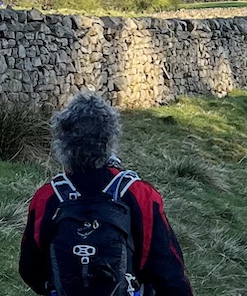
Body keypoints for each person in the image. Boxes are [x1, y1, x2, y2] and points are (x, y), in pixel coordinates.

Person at [19, 91, 193, 296]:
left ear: (63, 142)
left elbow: (29, 269)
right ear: (110, 139)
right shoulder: (139, 195)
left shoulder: (47, 197)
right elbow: (169, 273)